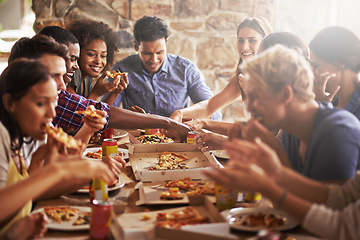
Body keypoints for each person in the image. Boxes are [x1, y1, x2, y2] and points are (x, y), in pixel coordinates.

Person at [201, 45, 360, 182]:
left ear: (285, 94)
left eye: (257, 97)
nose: (251, 109)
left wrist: (265, 182)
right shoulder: (292, 130)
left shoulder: (339, 131)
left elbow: (329, 210)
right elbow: (290, 178)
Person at [0, 59, 117, 235]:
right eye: (40, 103)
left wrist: (13, 233)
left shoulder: (22, 139)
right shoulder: (1, 134)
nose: (52, 113)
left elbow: (27, 196)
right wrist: (58, 171)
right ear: (10, 103)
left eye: (53, 100)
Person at [8, 33, 192, 144]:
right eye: (73, 58)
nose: (62, 84)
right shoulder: (61, 96)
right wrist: (167, 123)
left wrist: (88, 128)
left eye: (103, 55)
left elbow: (99, 115)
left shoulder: (78, 85)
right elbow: (104, 112)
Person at [204, 137, 360, 240]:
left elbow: (344, 228)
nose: (250, 105)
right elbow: (342, 196)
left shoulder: (335, 129)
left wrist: (268, 188)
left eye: (256, 97)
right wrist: (278, 173)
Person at [104, 15, 221, 120]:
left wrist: (182, 115)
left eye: (160, 52)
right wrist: (128, 116)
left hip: (177, 139)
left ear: (166, 44)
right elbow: (104, 113)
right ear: (136, 46)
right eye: (147, 53)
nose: (154, 60)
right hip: (136, 139)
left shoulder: (186, 69)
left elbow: (214, 113)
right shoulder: (122, 69)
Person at [169, 17, 272, 125]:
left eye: (252, 40)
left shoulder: (276, 76)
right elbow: (210, 106)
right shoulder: (242, 76)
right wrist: (180, 113)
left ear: (265, 42)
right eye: (240, 41)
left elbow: (264, 125)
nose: (244, 47)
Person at [66, 19, 128, 103]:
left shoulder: (86, 79)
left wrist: (115, 92)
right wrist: (95, 93)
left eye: (103, 56)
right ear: (77, 52)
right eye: (91, 54)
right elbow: (78, 113)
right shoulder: (69, 76)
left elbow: (100, 112)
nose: (98, 61)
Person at [309, 26, 360, 120]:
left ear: (340, 63)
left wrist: (321, 110)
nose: (312, 73)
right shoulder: (330, 102)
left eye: (316, 66)